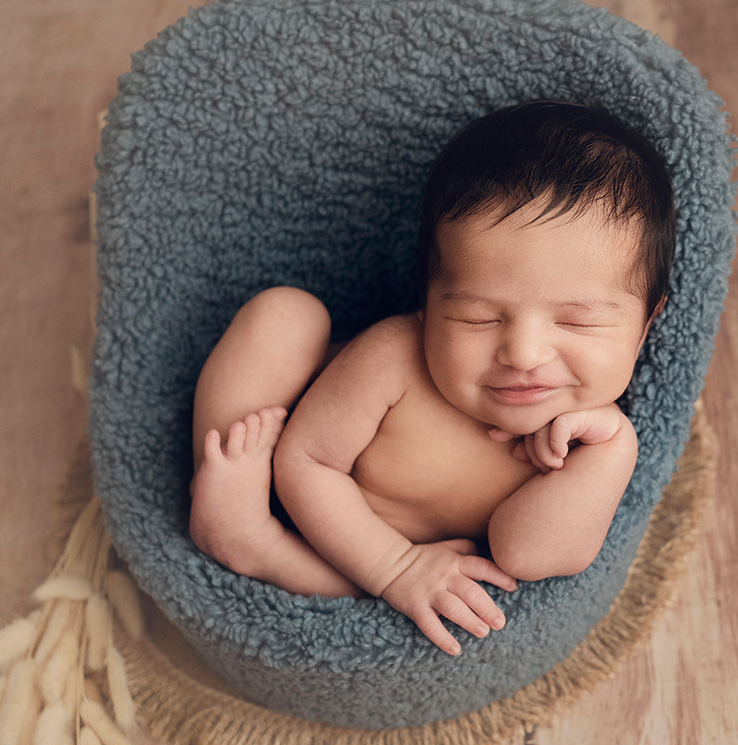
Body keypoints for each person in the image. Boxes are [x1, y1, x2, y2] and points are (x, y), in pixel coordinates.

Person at [188, 99, 674, 656]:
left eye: (577, 320)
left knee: (406, 591)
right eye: (478, 317)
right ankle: (224, 486)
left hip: (381, 567)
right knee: (285, 316)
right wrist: (394, 567)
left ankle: (253, 548)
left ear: (644, 325)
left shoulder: (589, 436)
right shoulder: (395, 359)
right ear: (427, 303)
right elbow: (306, 461)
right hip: (295, 490)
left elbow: (527, 556)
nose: (523, 352)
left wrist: (615, 448)